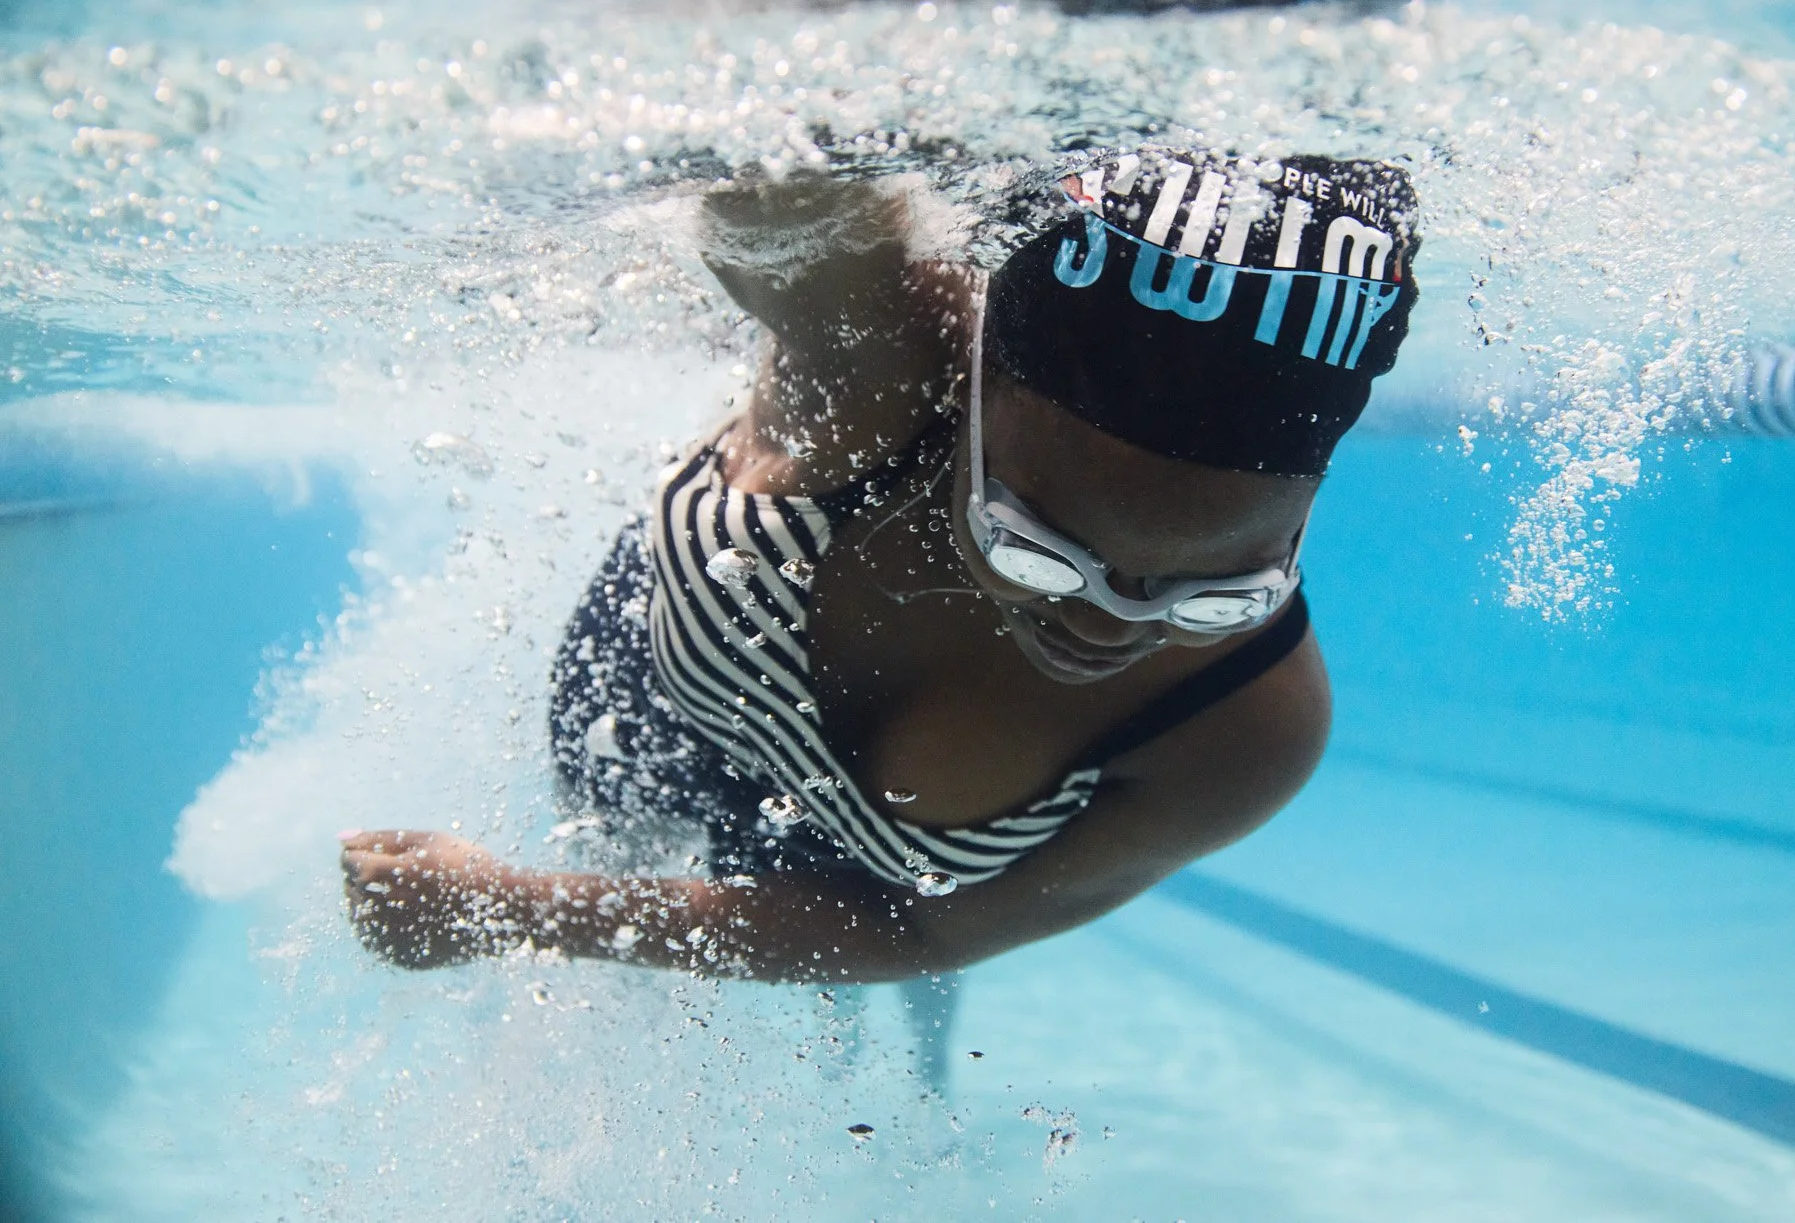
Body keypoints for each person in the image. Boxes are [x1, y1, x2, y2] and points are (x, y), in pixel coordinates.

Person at [340, 148, 1420, 993]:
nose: (1108, 626)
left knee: (891, 981)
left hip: (852, 881)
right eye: (1037, 546)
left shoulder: (1240, 726)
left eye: (1219, 586)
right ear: (977, 397)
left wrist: (517, 906)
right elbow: (772, 160)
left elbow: (917, 924)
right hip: (650, 689)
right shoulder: (883, 351)